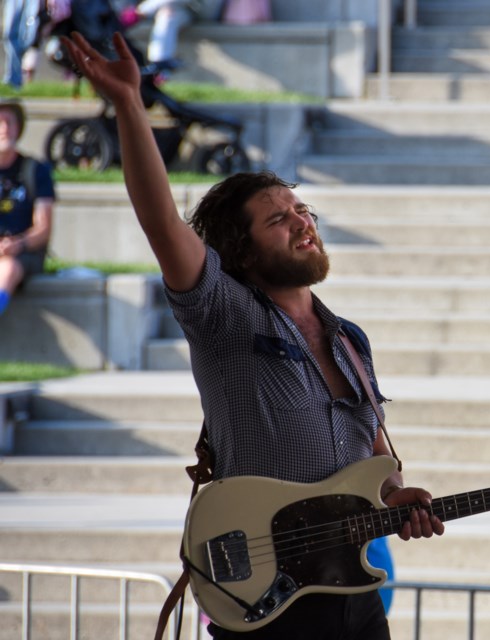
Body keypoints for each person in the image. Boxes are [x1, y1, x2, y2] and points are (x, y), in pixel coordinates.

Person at [61, 31, 443, 640]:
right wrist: (131, 105)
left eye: (303, 211)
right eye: (278, 218)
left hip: (353, 597)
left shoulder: (351, 340)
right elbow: (160, 219)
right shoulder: (224, 312)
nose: (301, 223)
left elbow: (374, 454)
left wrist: (396, 496)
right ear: (241, 249)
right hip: (270, 600)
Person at [0, 99, 55, 317]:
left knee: (8, 268)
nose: (5, 129)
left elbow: (43, 228)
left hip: (24, 253)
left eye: (9, 123)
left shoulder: (35, 170)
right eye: (0, 122)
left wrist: (17, 244)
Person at [118, 0, 224, 70]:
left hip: (206, 9)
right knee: (167, 14)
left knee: (166, 10)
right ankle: (159, 64)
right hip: (178, 7)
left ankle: (136, 14)